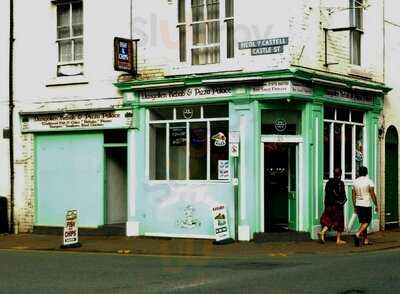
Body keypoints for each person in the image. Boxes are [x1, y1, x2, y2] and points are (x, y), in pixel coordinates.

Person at [319, 168, 347, 245]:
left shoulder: (328, 182)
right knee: (339, 222)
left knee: (328, 220)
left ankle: (322, 232)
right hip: (337, 206)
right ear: (340, 174)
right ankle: (338, 240)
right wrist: (341, 202)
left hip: (328, 205)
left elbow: (326, 194)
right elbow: (342, 195)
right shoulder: (340, 183)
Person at [352, 166, 378, 246]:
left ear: (359, 172)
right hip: (366, 204)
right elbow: (372, 194)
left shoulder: (355, 182)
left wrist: (354, 206)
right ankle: (357, 234)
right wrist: (376, 204)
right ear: (366, 173)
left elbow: (353, 195)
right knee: (367, 221)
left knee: (363, 222)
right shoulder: (369, 181)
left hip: (358, 204)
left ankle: (366, 240)